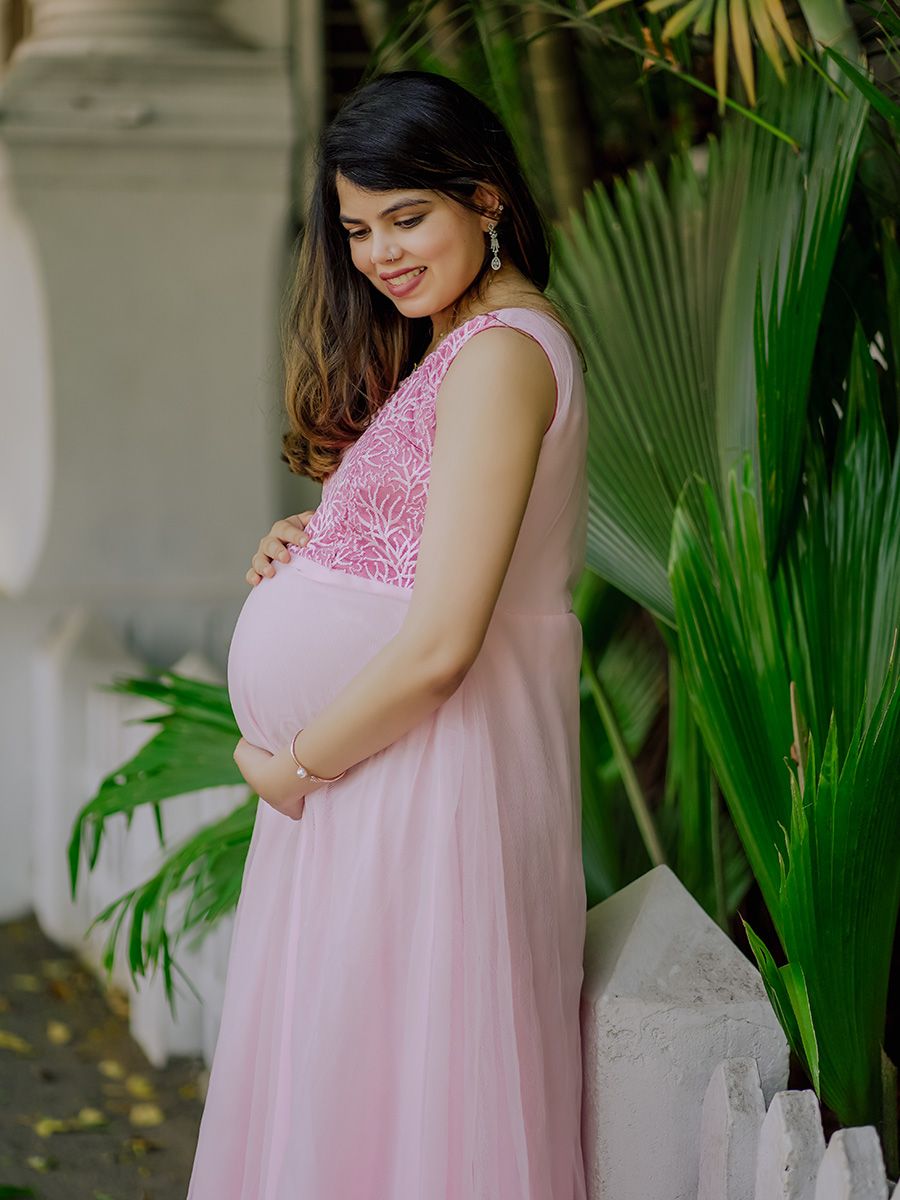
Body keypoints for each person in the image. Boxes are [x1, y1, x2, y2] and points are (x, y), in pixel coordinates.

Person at [186, 68, 589, 1200]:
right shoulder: (462, 344)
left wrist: (295, 769)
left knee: (403, 1127)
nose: (380, 254)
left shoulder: (506, 354)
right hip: (386, 779)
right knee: (354, 1113)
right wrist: (317, 539)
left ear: (487, 199)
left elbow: (445, 641)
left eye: (408, 217)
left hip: (419, 784)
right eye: (359, 228)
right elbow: (431, 543)